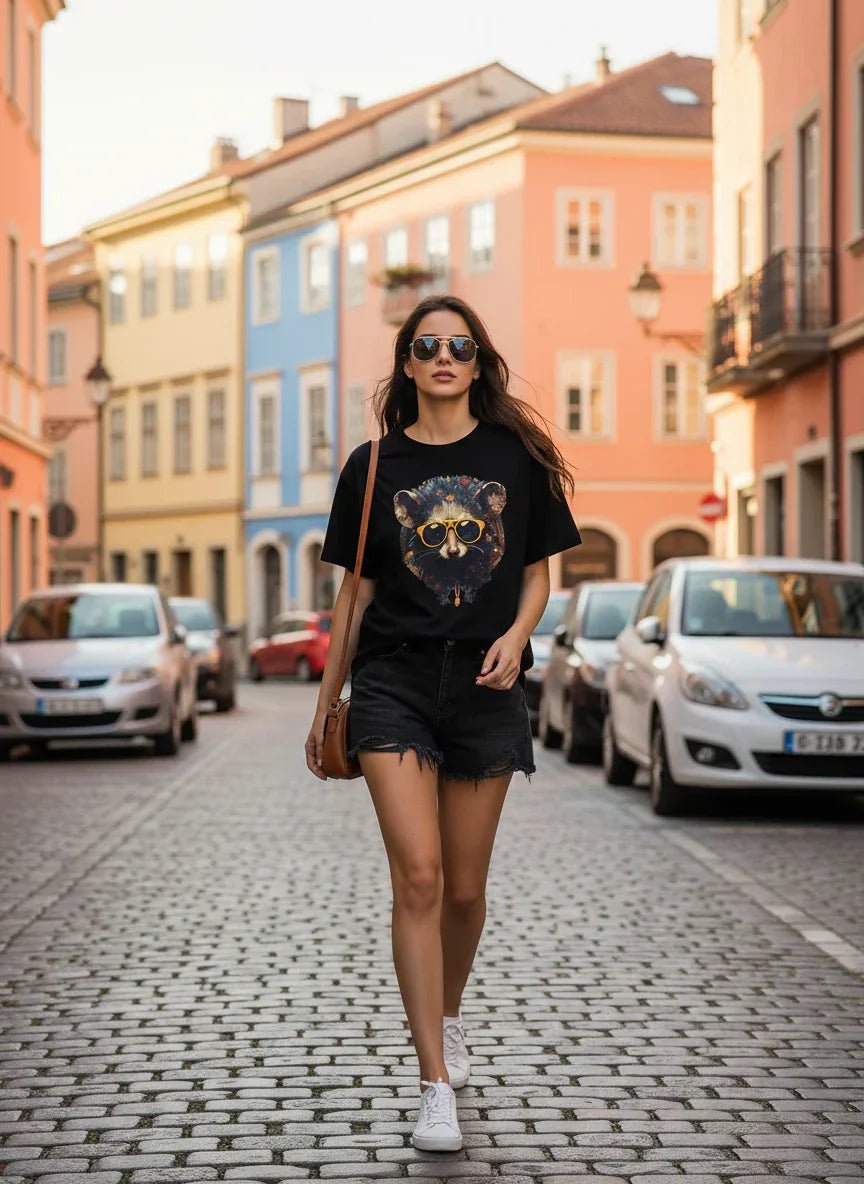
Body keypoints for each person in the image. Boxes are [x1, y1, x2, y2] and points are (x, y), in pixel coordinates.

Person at [306, 295, 581, 1152]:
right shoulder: (372, 466)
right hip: (393, 682)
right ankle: (433, 1084)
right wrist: (326, 704)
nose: (444, 358)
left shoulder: (515, 457)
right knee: (419, 878)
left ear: (478, 360)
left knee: (464, 890)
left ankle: (448, 1013)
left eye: (460, 346)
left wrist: (518, 635)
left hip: (487, 685)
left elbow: (537, 574)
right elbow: (355, 595)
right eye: (427, 346)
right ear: (407, 363)